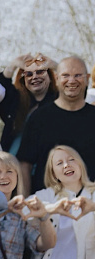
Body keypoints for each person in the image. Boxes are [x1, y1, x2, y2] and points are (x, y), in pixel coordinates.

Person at [18, 56, 95, 194]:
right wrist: (25, 201)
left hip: (90, 202)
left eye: (78, 75)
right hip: (48, 204)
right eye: (66, 75)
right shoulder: (39, 118)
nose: (72, 80)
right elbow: (25, 164)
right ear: (57, 78)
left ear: (87, 78)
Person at [0, 53, 58, 153]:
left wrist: (56, 66)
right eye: (29, 74)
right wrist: (13, 65)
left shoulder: (60, 101)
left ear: (50, 77)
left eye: (40, 72)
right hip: (14, 159)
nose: (34, 77)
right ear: (23, 80)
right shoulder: (15, 103)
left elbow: (77, 89)